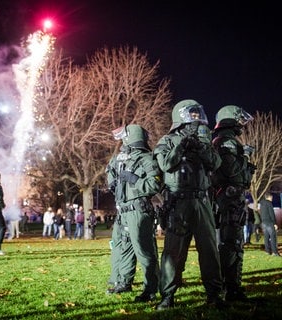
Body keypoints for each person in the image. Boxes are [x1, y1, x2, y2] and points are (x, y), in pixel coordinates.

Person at [153, 99, 224, 309]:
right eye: (192, 114)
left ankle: (214, 294)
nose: (196, 118)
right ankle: (167, 296)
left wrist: (202, 148)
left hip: (202, 201)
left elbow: (216, 163)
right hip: (178, 202)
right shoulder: (167, 140)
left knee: (210, 250)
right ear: (181, 116)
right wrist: (181, 146)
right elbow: (165, 164)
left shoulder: (204, 138)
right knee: (173, 251)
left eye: (197, 114)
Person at [105, 124, 161, 302]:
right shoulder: (121, 158)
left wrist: (135, 179)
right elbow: (110, 172)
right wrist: (112, 180)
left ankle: (151, 288)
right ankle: (123, 282)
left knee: (144, 250)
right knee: (123, 247)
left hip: (138, 210)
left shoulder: (146, 159)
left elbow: (155, 185)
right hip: (123, 211)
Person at [212, 104, 256, 302]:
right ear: (231, 120)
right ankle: (231, 289)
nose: (242, 124)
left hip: (232, 200)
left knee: (233, 243)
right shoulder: (226, 142)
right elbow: (233, 173)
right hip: (229, 201)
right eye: (239, 120)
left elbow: (242, 178)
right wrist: (245, 158)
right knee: (232, 244)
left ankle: (231, 287)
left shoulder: (226, 141)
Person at [259, 192, 280, 256]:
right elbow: (272, 214)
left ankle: (267, 251)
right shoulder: (269, 203)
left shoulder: (261, 203)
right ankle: (275, 252)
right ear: (269, 197)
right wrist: (275, 223)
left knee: (266, 237)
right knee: (273, 237)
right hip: (270, 223)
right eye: (272, 198)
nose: (272, 199)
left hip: (264, 223)